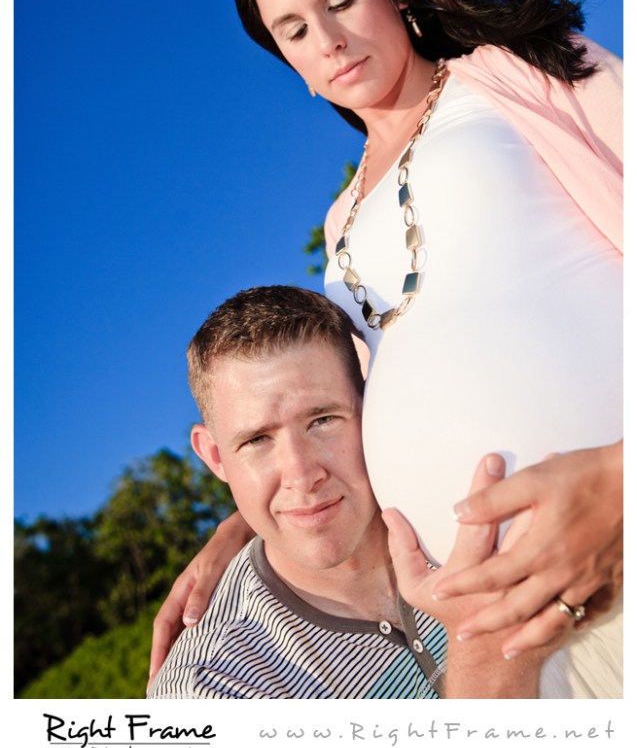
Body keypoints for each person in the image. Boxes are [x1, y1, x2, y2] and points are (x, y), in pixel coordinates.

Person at [149, 0, 622, 698]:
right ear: (289, 63)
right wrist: (245, 527)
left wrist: (622, 479)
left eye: (340, 0)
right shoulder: (339, 229)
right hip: (513, 635)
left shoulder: (516, 74)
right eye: (294, 30)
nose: (327, 39)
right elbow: (342, 421)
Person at [149, 285, 565, 699]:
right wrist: (486, 654)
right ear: (215, 457)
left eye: (323, 420)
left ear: (371, 407)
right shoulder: (210, 689)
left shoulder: (466, 482)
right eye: (257, 440)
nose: (302, 474)